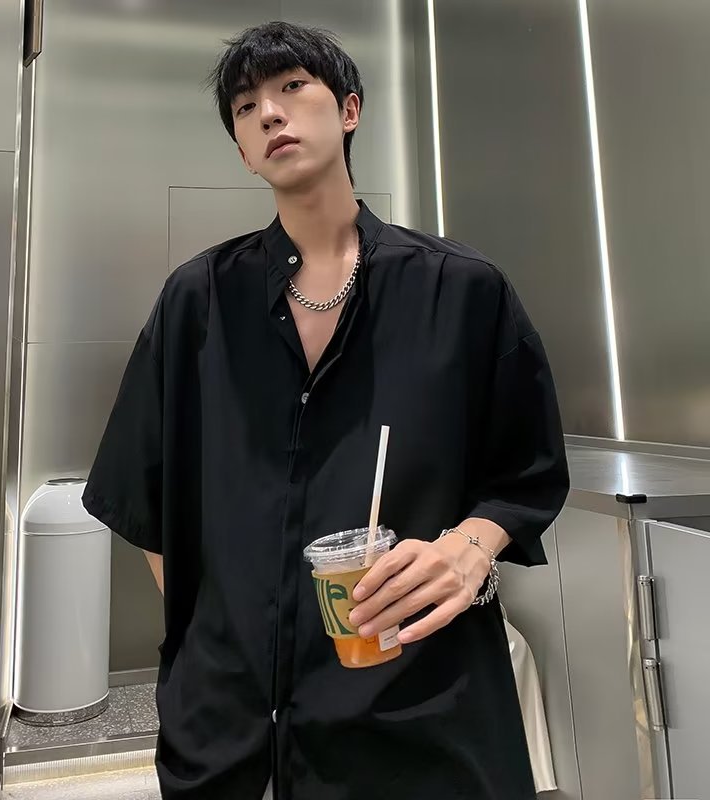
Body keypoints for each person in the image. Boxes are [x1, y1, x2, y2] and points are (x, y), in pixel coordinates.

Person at [83, 20, 569, 800]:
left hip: (417, 726)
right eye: (245, 108)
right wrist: (222, 641)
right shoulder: (198, 301)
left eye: (290, 87)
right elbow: (141, 493)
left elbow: (527, 473)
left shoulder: (460, 292)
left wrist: (467, 551)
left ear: (349, 109)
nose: (269, 114)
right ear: (244, 152)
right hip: (229, 740)